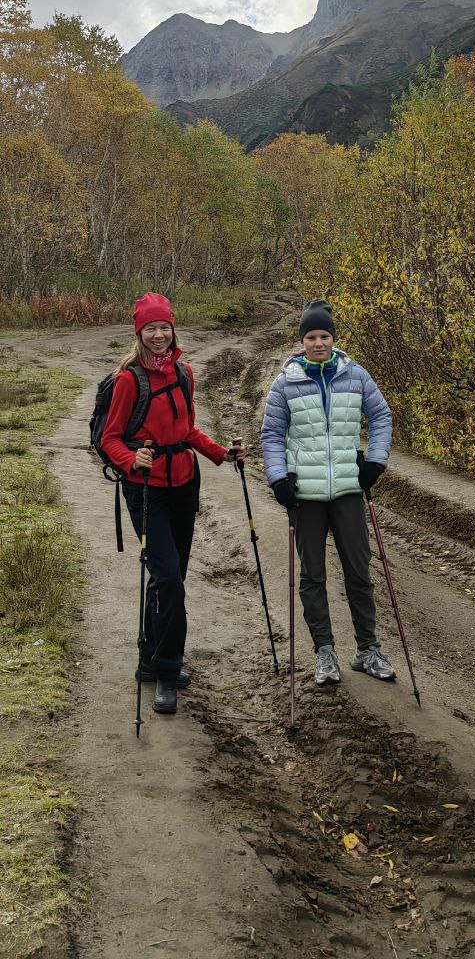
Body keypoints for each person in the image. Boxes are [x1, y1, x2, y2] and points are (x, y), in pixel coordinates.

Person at [102, 291, 245, 715]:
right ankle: (167, 670)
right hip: (145, 489)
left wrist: (221, 453)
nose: (160, 334)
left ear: (172, 328)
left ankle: (150, 658)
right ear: (139, 333)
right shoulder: (129, 380)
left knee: (171, 577)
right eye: (151, 328)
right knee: (168, 581)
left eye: (165, 326)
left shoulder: (184, 373)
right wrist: (133, 459)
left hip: (184, 483)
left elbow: (188, 429)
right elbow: (110, 438)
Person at [260, 298, 395, 687]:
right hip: (306, 494)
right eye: (311, 336)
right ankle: (324, 652)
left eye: (324, 335)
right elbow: (271, 434)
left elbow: (381, 416)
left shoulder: (356, 376)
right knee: (313, 575)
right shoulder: (287, 381)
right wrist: (278, 478)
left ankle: (367, 648)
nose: (318, 343)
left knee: (359, 570)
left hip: (350, 490)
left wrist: (376, 461)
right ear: (301, 340)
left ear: (334, 338)